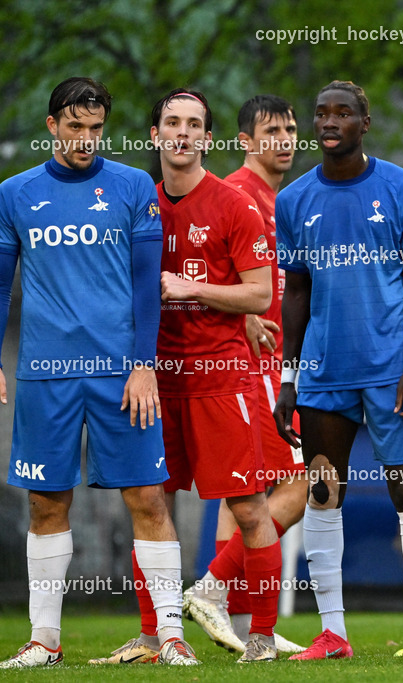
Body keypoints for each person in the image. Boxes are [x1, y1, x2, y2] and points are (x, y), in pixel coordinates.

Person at [0, 77, 198, 667]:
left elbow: (146, 285)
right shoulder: (14, 193)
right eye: (75, 127)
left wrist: (143, 365)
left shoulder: (134, 185)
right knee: (46, 502)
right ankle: (45, 642)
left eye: (96, 129)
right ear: (52, 126)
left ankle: (170, 635)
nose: (86, 139)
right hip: (44, 373)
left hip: (120, 377)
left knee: (146, 496)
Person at [273, 80, 403, 660]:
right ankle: (333, 633)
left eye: (343, 113)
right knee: (323, 490)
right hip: (323, 373)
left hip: (391, 368)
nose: (329, 121)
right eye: (321, 113)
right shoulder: (293, 199)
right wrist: (288, 378)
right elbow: (294, 292)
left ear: (364, 123)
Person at [111, 88, 282, 664]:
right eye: (171, 122)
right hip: (154, 384)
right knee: (148, 502)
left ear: (207, 138)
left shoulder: (234, 205)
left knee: (250, 507)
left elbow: (262, 290)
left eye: (194, 124)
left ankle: (260, 634)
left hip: (220, 382)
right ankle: (151, 632)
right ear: (155, 135)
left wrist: (194, 289)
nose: (182, 133)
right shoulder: (137, 203)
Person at [180, 94, 307, 656]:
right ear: (245, 141)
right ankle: (213, 587)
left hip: (269, 366)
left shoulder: (277, 198)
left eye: (290, 130)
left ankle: (226, 602)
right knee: (299, 486)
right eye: (272, 130)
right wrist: (250, 313)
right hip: (246, 367)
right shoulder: (234, 194)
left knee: (246, 495)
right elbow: (215, 271)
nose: (284, 140)